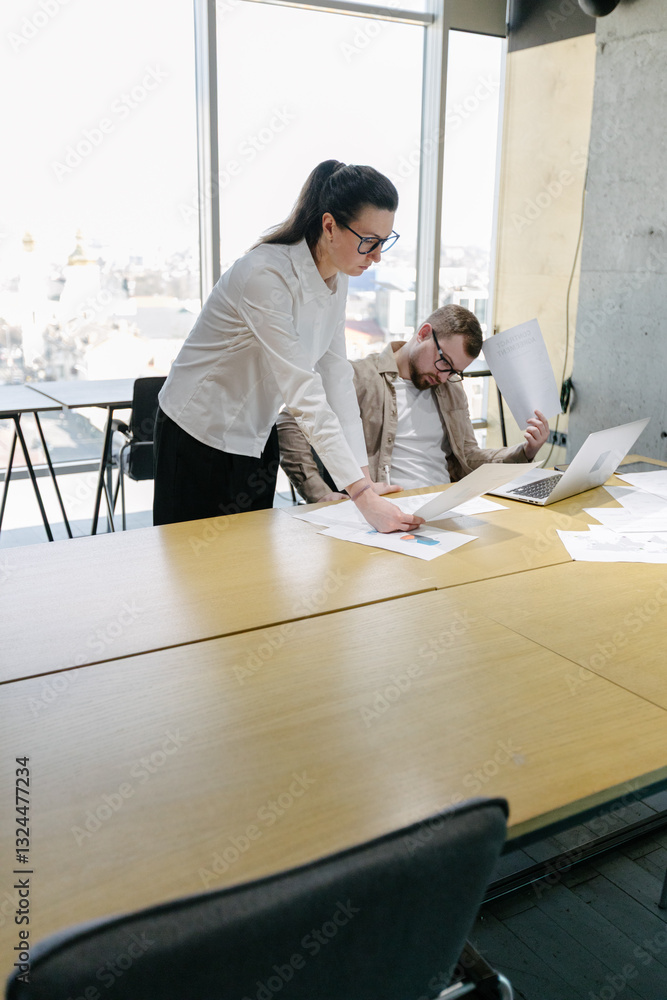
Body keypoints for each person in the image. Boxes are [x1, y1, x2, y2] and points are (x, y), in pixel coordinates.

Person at [153, 159, 423, 534]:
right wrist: (361, 496)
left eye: (384, 242)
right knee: (189, 560)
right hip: (198, 432)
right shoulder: (264, 274)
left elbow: (336, 377)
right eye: (369, 241)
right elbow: (302, 389)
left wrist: (365, 480)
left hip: (257, 433)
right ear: (329, 226)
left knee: (253, 558)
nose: (377, 256)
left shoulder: (339, 278)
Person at [277, 304, 550, 503]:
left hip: (445, 503)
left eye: (454, 371)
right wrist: (319, 493)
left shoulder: (450, 388)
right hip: (388, 508)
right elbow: (290, 419)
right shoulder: (359, 377)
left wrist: (525, 451)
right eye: (443, 362)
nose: (443, 377)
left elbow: (468, 458)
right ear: (424, 333)